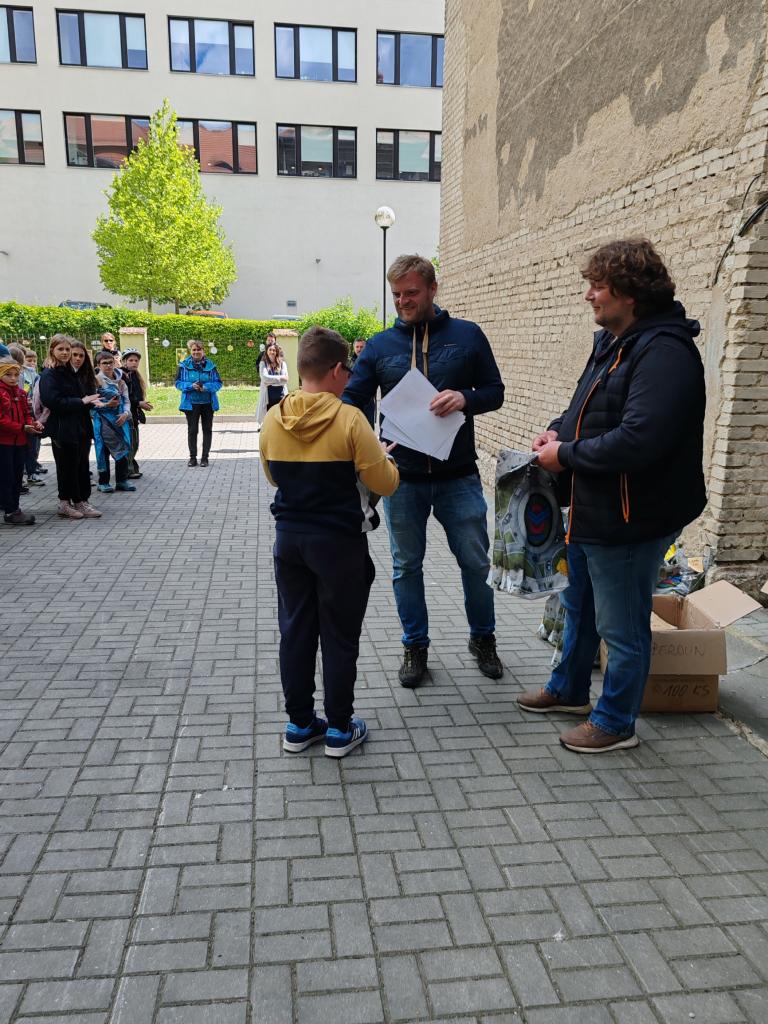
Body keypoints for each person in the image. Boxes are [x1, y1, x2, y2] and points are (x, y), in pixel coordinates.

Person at [518, 238, 706, 753]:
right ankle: (569, 690)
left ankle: (617, 722)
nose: (589, 296)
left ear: (630, 292)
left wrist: (566, 455)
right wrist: (556, 431)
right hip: (596, 508)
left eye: (597, 286)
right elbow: (586, 408)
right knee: (578, 605)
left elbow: (640, 438)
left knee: (621, 627)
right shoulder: (615, 343)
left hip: (632, 515)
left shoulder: (664, 352)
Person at [344, 254, 505, 689]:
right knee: (405, 567)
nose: (403, 302)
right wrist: (364, 441)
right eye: (396, 295)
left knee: (475, 563)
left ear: (433, 288)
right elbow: (353, 400)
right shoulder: (380, 346)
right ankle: (415, 646)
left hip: (459, 476)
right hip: (402, 479)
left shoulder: (468, 336)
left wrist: (466, 398)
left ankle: (483, 639)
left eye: (411, 293)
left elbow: (495, 391)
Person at [260, 326, 400, 757]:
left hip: (290, 541)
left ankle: (300, 724)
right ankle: (339, 727)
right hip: (339, 544)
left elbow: (273, 478)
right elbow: (385, 484)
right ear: (338, 370)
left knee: (295, 631)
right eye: (349, 371)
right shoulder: (350, 419)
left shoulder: (274, 417)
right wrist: (384, 457)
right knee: (339, 635)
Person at [39, 334, 103, 519]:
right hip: (62, 428)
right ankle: (65, 503)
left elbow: (82, 397)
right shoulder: (49, 374)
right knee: (66, 467)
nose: (65, 353)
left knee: (81, 465)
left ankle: (81, 500)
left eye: (67, 349)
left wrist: (93, 402)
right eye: (61, 349)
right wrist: (81, 401)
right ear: (52, 350)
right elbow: (52, 400)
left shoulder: (71, 372)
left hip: (80, 426)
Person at [0, 357, 43, 525]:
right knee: (7, 477)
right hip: (4, 443)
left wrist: (32, 424)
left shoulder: (21, 393)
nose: (13, 378)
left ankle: (14, 508)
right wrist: (22, 427)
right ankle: (10, 510)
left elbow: (27, 413)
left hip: (20, 441)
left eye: (16, 374)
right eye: (8, 374)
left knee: (17, 477)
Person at [92, 351, 135, 493]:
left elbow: (126, 401)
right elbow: (91, 403)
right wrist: (106, 405)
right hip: (103, 422)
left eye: (110, 362)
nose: (108, 366)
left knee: (123, 448)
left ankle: (122, 480)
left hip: (120, 420)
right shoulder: (95, 381)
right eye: (104, 363)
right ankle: (103, 482)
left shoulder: (121, 381)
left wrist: (126, 413)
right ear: (98, 365)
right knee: (103, 451)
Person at [175, 340, 222, 467]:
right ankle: (192, 458)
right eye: (194, 350)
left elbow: (218, 383)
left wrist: (205, 387)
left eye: (199, 350)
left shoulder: (211, 366)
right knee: (192, 430)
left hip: (208, 403)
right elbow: (178, 383)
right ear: (191, 351)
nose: (196, 352)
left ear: (203, 351)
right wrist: (191, 386)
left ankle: (205, 458)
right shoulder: (183, 366)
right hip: (191, 404)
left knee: (207, 430)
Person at [121, 348, 153, 478]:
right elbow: (125, 397)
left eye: (136, 360)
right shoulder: (122, 375)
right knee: (130, 442)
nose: (134, 363)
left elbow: (137, 394)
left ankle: (130, 467)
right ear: (124, 361)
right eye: (131, 360)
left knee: (135, 442)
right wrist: (139, 403)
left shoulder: (135, 375)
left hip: (135, 414)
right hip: (126, 414)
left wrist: (141, 404)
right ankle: (127, 470)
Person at [20, 348, 44, 488]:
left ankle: (32, 471)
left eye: (34, 361)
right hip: (20, 415)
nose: (32, 363)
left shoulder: (34, 375)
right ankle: (25, 472)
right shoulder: (17, 374)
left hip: (31, 413)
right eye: (29, 360)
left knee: (33, 445)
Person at [255, 335, 288, 428]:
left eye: (274, 350)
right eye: (270, 350)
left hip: (281, 395)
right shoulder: (263, 362)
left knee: (280, 418)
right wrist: (279, 378)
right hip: (268, 395)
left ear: (276, 352)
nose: (272, 352)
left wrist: (270, 381)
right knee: (269, 418)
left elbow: (285, 380)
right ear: (267, 351)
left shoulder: (282, 363)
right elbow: (264, 378)